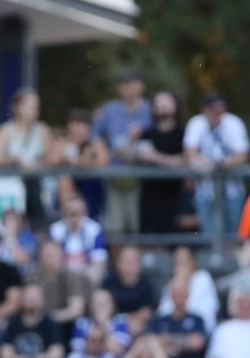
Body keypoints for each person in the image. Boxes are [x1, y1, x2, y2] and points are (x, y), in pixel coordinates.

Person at [92, 69, 152, 233]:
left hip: (143, 177)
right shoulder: (110, 110)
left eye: (131, 84)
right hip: (116, 176)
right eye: (123, 84)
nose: (127, 88)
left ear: (141, 85)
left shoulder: (151, 109)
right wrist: (102, 152)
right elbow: (94, 134)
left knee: (139, 226)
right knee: (115, 227)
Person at [184, 93, 249, 236]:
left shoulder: (234, 123)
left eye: (220, 108)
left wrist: (217, 164)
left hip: (233, 189)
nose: (217, 113)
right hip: (205, 190)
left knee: (234, 235)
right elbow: (190, 153)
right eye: (213, 108)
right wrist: (206, 163)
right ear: (205, 110)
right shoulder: (196, 123)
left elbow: (242, 155)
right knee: (209, 235)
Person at [0, 88, 50, 226]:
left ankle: (38, 227)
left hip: (37, 185)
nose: (35, 111)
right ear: (17, 108)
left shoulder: (42, 130)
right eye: (31, 107)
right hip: (12, 185)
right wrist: (14, 160)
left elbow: (50, 159)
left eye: (36, 107)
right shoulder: (5, 131)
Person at [136, 91, 187, 233]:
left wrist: (156, 157)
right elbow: (133, 157)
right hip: (149, 196)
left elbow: (184, 161)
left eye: (167, 102)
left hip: (175, 195)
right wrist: (130, 140)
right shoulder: (146, 134)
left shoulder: (184, 134)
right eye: (159, 103)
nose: (163, 106)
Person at [48, 196, 107, 286]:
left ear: (85, 213)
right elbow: (51, 260)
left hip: (86, 274)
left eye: (78, 212)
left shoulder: (94, 229)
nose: (74, 217)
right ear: (64, 213)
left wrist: (82, 274)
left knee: (95, 274)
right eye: (71, 213)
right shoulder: (55, 230)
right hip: (62, 274)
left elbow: (99, 260)